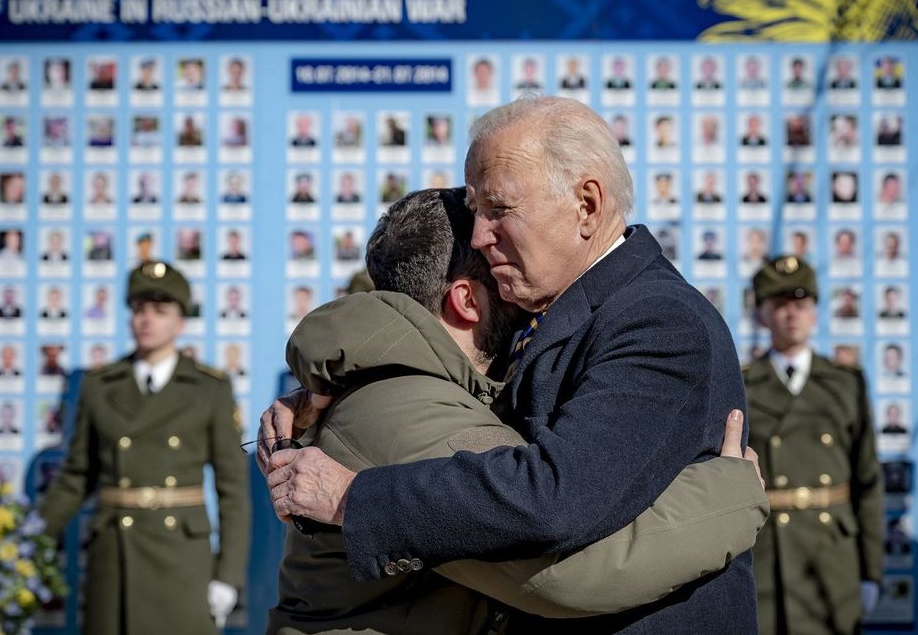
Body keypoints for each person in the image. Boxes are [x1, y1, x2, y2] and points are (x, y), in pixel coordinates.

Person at [264, 97, 759, 633]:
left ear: (586, 206)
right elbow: (447, 383)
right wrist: (327, 390)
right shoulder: (555, 309)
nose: (479, 236)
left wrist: (353, 498)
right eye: (476, 211)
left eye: (498, 210)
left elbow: (555, 499)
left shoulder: (657, 321)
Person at [37, 261, 249, 635]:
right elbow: (75, 478)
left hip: (182, 559)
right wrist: (29, 540)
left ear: (180, 322)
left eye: (160, 310)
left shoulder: (209, 389)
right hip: (114, 555)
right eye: (139, 310)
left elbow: (232, 489)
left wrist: (228, 576)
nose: (146, 320)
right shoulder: (99, 386)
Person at [744, 256, 883, 635]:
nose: (792, 315)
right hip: (768, 557)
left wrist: (871, 572)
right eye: (780, 305)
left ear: (816, 313)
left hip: (830, 558)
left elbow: (868, 483)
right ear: (761, 315)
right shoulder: (743, 384)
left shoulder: (844, 384)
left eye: (802, 305)